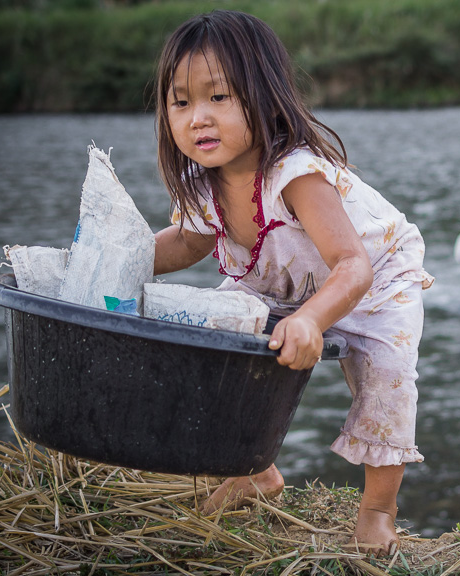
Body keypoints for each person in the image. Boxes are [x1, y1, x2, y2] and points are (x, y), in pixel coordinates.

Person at [151, 11, 433, 555]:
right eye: (181, 102)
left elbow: (353, 265)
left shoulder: (294, 172)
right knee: (215, 344)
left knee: (387, 378)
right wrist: (118, 260)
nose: (197, 119)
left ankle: (377, 510)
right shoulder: (202, 182)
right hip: (281, 279)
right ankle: (256, 470)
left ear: (264, 95)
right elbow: (187, 242)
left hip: (373, 276)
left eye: (219, 98)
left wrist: (309, 318)